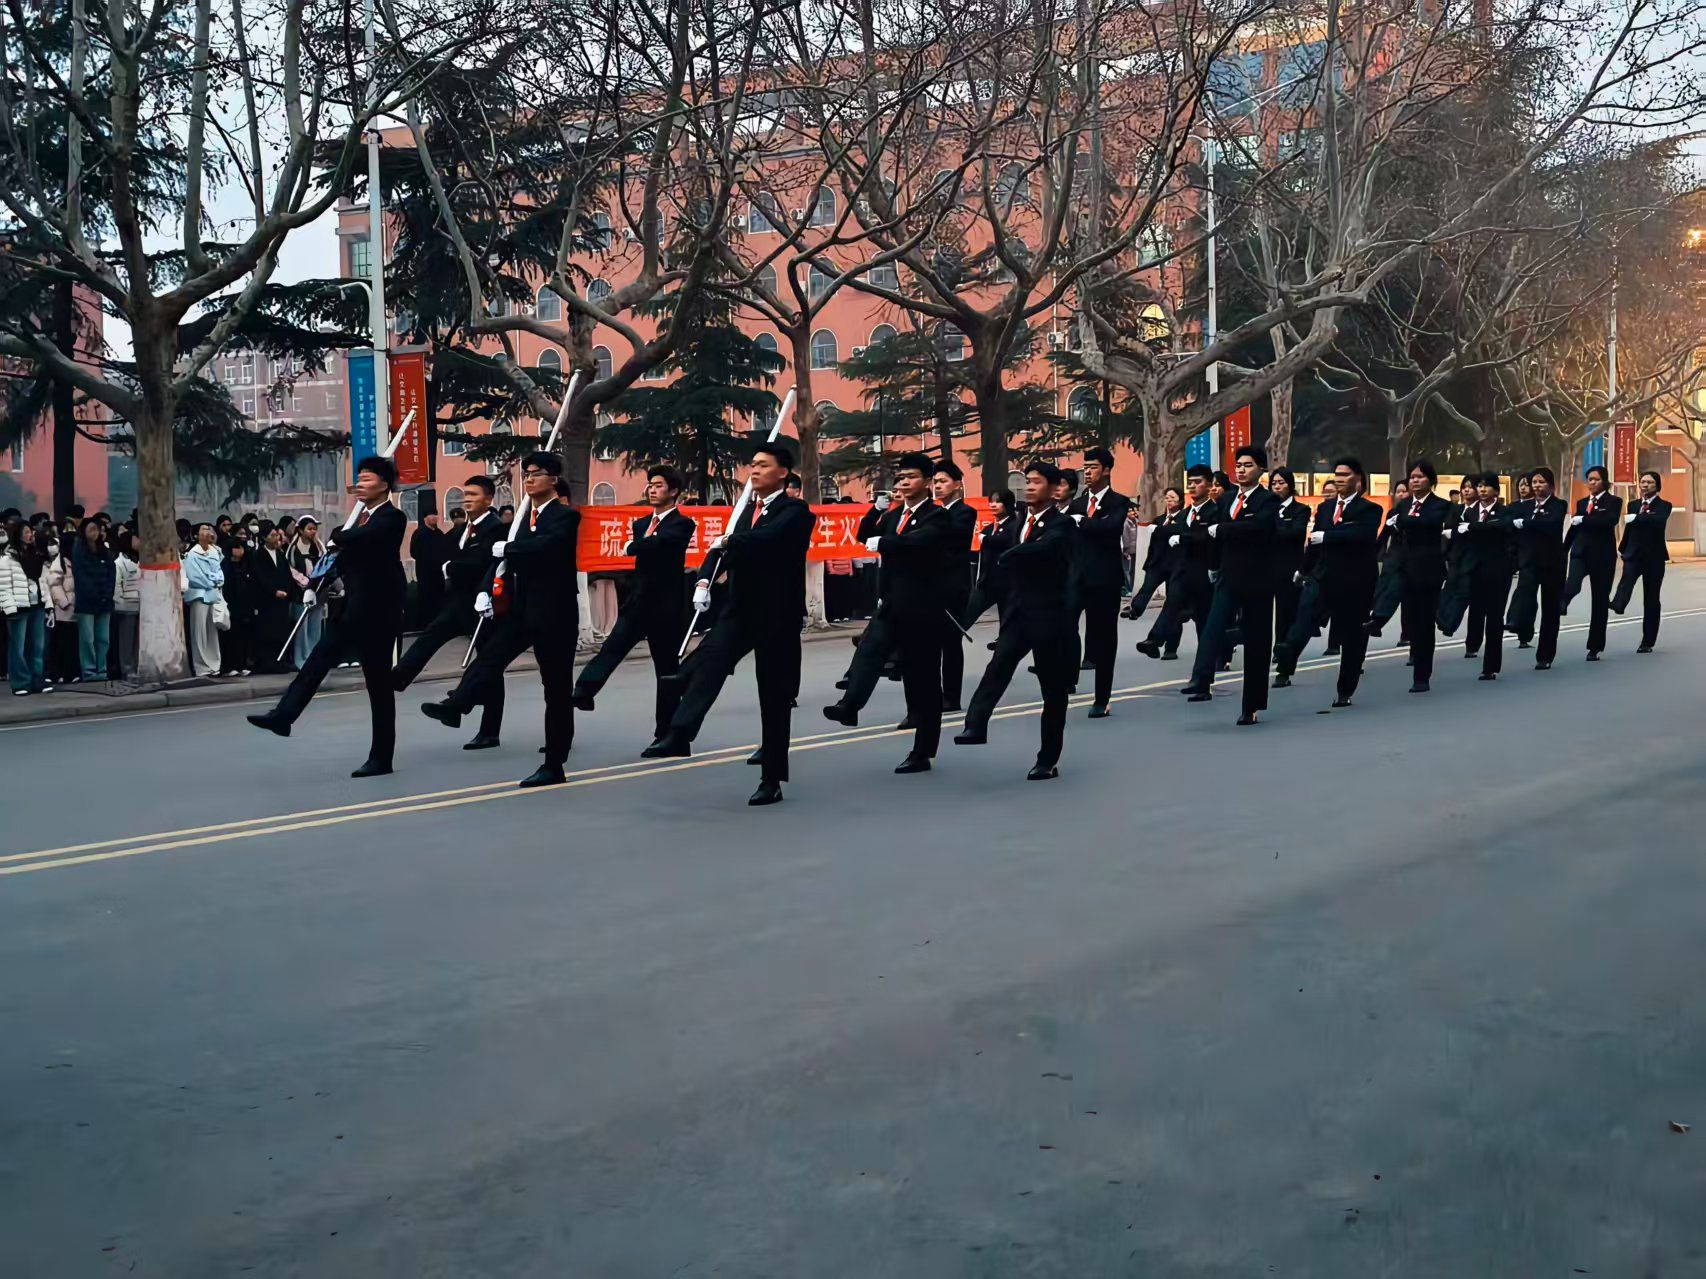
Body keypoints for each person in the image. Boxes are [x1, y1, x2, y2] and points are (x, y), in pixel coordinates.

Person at [643, 442, 813, 807]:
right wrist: (705, 579)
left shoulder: (795, 511)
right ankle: (679, 732)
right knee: (711, 660)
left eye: (763, 465)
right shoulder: (745, 511)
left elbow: (767, 540)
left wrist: (731, 540)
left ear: (783, 473)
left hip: (777, 615)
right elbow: (719, 552)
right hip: (740, 609)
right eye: (752, 464)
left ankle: (771, 779)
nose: (754, 470)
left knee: (773, 697)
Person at [424, 456, 580, 786]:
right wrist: (487, 591)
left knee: (555, 690)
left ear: (553, 480)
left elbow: (546, 546)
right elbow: (500, 563)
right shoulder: (522, 518)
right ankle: (457, 705)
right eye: (527, 474)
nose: (529, 479)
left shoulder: (565, 516)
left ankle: (554, 763)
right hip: (522, 609)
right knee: (490, 658)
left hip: (555, 613)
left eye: (537, 474)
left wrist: (510, 548)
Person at [248, 456, 407, 778]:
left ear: (384, 485)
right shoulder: (357, 522)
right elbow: (338, 559)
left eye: (367, 479)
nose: (360, 484)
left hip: (379, 614)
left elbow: (364, 538)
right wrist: (313, 585)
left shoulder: (392, 518)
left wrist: (341, 536)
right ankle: (284, 716)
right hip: (350, 609)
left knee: (378, 686)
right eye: (359, 479)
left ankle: (381, 757)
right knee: (317, 661)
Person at [824, 452, 948, 772]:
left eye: (912, 477)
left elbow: (919, 542)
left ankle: (923, 751)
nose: (904, 483)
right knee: (868, 652)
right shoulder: (894, 515)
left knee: (923, 680)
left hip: (922, 610)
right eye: (901, 477)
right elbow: (864, 536)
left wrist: (885, 543)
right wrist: (875, 510)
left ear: (928, 482)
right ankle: (849, 706)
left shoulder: (937, 516)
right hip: (890, 604)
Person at [954, 460, 1077, 780]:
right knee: (997, 668)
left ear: (1054, 488)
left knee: (1053, 691)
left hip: (1050, 617)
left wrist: (1014, 554)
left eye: (1037, 482)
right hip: (1018, 613)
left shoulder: (1062, 524)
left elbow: (1047, 547)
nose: (1029, 487)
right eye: (1027, 481)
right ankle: (975, 725)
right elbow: (996, 541)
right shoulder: (1018, 520)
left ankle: (1047, 759)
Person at [573, 465, 696, 744]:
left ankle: (667, 733)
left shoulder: (681, 524)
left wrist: (634, 546)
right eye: (650, 485)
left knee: (666, 671)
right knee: (611, 648)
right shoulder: (640, 524)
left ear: (673, 491)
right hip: (638, 604)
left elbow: (661, 543)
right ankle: (584, 691)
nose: (652, 490)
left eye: (658, 485)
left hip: (666, 609)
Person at [392, 477, 508, 749]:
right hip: (458, 602)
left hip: (483, 605)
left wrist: (450, 567)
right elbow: (441, 552)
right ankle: (400, 676)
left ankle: (489, 730)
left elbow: (481, 563)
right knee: (431, 634)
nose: (467, 499)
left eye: (473, 495)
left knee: (488, 667)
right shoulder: (462, 529)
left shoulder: (495, 529)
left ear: (488, 499)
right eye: (465, 494)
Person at [1183, 444, 1279, 724]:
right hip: (1228, 575)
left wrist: (1223, 529)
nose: (1241, 470)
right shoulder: (1225, 500)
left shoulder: (1268, 500)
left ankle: (1251, 705)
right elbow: (1213, 536)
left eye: (1248, 465)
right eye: (1238, 465)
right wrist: (1213, 566)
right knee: (1212, 627)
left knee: (1257, 642)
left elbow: (1258, 528)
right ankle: (1201, 679)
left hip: (1258, 579)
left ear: (1261, 469)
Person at [1276, 457, 1381, 706]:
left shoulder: (1370, 509)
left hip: (1355, 581)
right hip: (1322, 577)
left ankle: (1345, 691)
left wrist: (1329, 536)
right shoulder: (1325, 509)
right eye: (1337, 475)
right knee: (1302, 621)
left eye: (1345, 475)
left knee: (1352, 637)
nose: (1339, 479)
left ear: (1358, 479)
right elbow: (1315, 543)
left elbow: (1362, 535)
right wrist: (1302, 571)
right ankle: (1284, 667)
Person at [1067, 447, 1133, 718]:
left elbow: (1111, 528)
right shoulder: (1077, 503)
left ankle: (1102, 697)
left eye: (1093, 467)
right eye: (1085, 467)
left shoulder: (1119, 502)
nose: (1088, 472)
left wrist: (1083, 522)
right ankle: (1067, 678)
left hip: (1105, 580)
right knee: (1064, 625)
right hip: (1077, 578)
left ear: (1106, 470)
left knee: (1105, 639)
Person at [1380, 461, 1451, 691]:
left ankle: (1422, 676)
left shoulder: (1441, 505)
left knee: (1424, 623)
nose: (1415, 481)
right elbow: (1391, 530)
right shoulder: (1403, 505)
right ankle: (1377, 621)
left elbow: (1428, 523)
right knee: (1410, 619)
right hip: (1405, 567)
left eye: (1420, 477)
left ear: (1431, 480)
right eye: (1412, 477)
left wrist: (1402, 521)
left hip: (1429, 570)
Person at [1134, 464, 1217, 661]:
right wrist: (1157, 530)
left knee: (1203, 620)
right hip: (1181, 571)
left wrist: (1182, 538)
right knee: (1171, 605)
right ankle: (1153, 640)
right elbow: (1171, 531)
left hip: (1204, 573)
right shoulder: (1185, 513)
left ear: (1209, 485)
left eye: (1198, 482)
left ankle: (1211, 659)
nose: (1192, 486)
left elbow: (1207, 536)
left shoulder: (1215, 511)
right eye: (1190, 482)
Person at [1448, 471, 1515, 680]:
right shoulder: (1468, 512)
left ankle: (1490, 666)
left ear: (1496, 490)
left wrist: (1473, 528)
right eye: (1480, 486)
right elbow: (1459, 534)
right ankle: (1471, 643)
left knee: (1494, 618)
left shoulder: (1504, 511)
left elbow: (1500, 527)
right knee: (1475, 611)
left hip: (1497, 571)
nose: (1482, 489)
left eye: (1487, 486)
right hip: (1473, 569)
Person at [1561, 464, 1622, 660]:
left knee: (1600, 602)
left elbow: (1609, 521)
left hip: (1603, 556)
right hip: (1580, 552)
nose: (1592, 482)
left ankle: (1595, 647)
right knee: (1572, 584)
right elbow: (1574, 528)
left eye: (1596, 479)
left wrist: (1584, 520)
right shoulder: (1581, 503)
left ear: (1604, 481)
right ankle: (1562, 602)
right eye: (1589, 479)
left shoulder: (1614, 501)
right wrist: (1563, 549)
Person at [931, 459, 978, 711]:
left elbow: (950, 539)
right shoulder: (934, 513)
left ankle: (951, 696)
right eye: (935, 482)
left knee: (950, 642)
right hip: (932, 585)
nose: (937, 486)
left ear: (957, 485)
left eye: (943, 481)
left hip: (954, 587)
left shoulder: (964, 512)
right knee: (931, 643)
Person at [1511, 467, 1566, 669]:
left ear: (1550, 485)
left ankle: (1545, 655)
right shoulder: (1525, 506)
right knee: (1525, 595)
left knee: (1550, 610)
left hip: (1552, 564)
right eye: (1534, 482)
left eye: (1541, 482)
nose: (1536, 486)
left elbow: (1551, 525)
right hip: (1530, 561)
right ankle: (1518, 626)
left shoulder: (1558, 505)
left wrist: (1525, 523)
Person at [1612, 470, 1672, 653]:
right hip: (1634, 553)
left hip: (1654, 557)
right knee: (1626, 580)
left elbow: (1658, 521)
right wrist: (1622, 548)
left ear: (1657, 486)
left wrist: (1637, 517)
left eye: (1650, 482)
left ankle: (1647, 641)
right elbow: (1629, 530)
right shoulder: (1633, 505)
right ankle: (1618, 604)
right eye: (1643, 482)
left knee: (1651, 598)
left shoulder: (1664, 506)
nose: (1645, 485)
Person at [1, 520, 49, 695]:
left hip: (37, 604)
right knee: (18, 647)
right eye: (27, 532)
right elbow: (4, 586)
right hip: (19, 606)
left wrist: (48, 604)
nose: (31, 535)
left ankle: (37, 679)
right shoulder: (8, 559)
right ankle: (20, 682)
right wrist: (10, 607)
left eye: (32, 532)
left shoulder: (36, 555)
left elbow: (43, 581)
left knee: (37, 646)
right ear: (18, 534)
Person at [1125, 487, 1183, 622]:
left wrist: (1160, 530)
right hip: (1157, 562)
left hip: (1175, 563)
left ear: (1180, 501)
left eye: (1172, 498)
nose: (1169, 501)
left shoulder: (1183, 517)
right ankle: (1135, 610)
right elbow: (1153, 543)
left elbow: (1177, 530)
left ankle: (1171, 621)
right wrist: (1149, 561)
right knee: (1147, 587)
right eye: (1167, 498)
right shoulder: (1159, 519)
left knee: (1172, 595)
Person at [964, 488, 1019, 629]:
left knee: (1007, 625)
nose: (993, 505)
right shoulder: (988, 529)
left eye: (998, 502)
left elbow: (1003, 541)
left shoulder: (1015, 526)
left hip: (1007, 584)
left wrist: (986, 539)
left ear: (1008, 504)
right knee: (966, 616)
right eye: (991, 501)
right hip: (986, 583)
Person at [70, 517, 116, 683]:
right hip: (86, 601)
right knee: (87, 639)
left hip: (105, 600)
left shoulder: (104, 550)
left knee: (103, 638)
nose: (94, 533)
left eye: (96, 529)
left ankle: (101, 669)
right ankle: (89, 671)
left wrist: (107, 594)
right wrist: (94, 593)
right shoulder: (79, 549)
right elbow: (80, 575)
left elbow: (111, 573)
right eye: (91, 529)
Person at [1269, 470, 1311, 649]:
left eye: (1281, 483)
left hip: (1289, 565)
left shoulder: (1301, 509)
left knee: (1286, 609)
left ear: (1290, 485)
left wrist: (1270, 529)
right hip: (1266, 564)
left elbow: (1296, 533)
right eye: (1274, 483)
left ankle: (1282, 646)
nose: (1277, 487)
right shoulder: (1266, 508)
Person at [181, 523, 226, 678]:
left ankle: (214, 665)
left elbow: (219, 572)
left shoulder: (214, 552)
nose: (207, 532)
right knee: (199, 633)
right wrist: (211, 581)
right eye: (203, 530)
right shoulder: (192, 554)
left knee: (212, 632)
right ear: (196, 535)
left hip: (213, 595)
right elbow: (195, 577)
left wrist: (216, 581)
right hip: (199, 596)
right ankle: (201, 667)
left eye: (208, 529)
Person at [249, 526, 295, 673]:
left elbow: (287, 575)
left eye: (277, 536)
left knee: (281, 630)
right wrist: (274, 591)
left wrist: (287, 591)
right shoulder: (258, 555)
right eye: (273, 536)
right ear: (265, 538)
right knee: (267, 631)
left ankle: (280, 660)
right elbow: (260, 577)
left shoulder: (280, 555)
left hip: (282, 599)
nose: (276, 539)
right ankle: (267, 662)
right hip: (267, 599)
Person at [286, 518, 325, 669]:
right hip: (300, 593)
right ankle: (301, 659)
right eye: (309, 529)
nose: (313, 532)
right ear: (301, 530)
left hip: (318, 592)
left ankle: (314, 658)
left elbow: (324, 564)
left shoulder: (319, 547)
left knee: (315, 626)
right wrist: (304, 582)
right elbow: (291, 569)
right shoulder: (293, 549)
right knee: (302, 628)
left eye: (314, 529)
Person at [219, 538, 257, 675]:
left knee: (243, 636)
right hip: (231, 605)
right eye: (237, 547)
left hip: (244, 606)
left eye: (241, 547)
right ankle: (230, 666)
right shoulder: (226, 565)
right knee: (231, 636)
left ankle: (242, 664)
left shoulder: (245, 564)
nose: (240, 551)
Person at [43, 533, 78, 682]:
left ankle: (71, 673)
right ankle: (56, 673)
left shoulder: (77, 559)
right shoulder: (59, 562)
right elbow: (54, 584)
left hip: (76, 609)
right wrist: (64, 602)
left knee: (72, 643)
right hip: (63, 610)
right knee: (61, 642)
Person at [410, 511, 451, 626]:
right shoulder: (419, 533)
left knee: (439, 595)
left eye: (435, 515)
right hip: (424, 571)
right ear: (425, 518)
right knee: (426, 596)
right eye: (431, 515)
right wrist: (426, 559)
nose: (434, 517)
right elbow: (413, 552)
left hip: (438, 571)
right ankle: (425, 623)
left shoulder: (439, 533)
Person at [111, 530, 141, 680]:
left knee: (138, 642)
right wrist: (120, 604)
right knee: (126, 641)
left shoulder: (141, 560)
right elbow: (117, 586)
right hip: (127, 607)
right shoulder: (119, 563)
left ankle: (137, 667)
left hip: (141, 606)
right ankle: (127, 669)